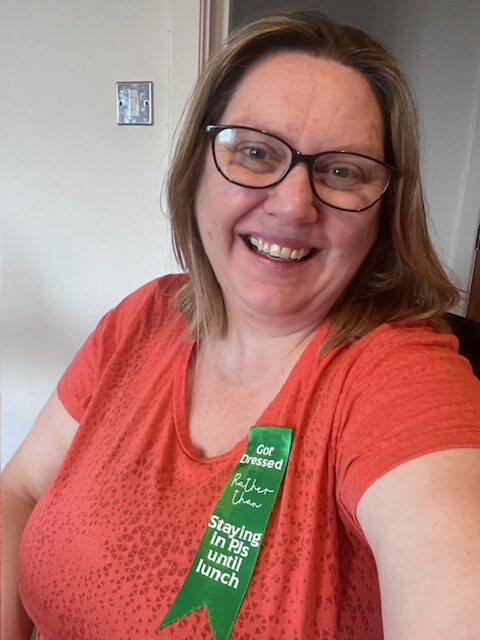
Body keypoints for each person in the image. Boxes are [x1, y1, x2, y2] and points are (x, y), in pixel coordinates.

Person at [2, 10, 480, 640]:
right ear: (196, 169)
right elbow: (19, 492)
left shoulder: (401, 377)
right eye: (254, 152)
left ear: (382, 211)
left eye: (342, 171)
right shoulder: (143, 317)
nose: (292, 203)